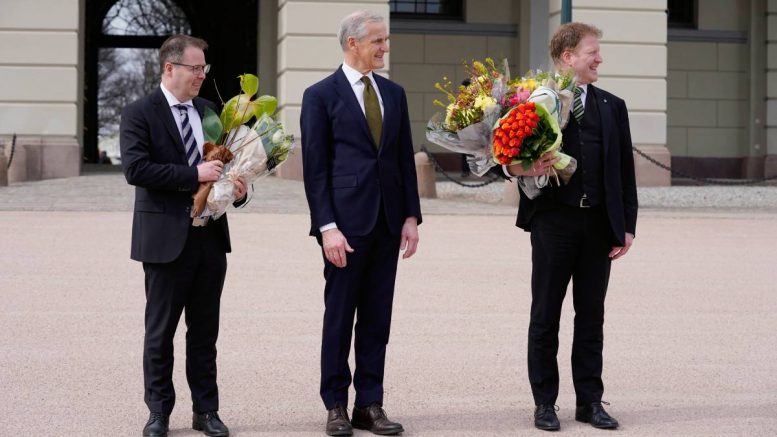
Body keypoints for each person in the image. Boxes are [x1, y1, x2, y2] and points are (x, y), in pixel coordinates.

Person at [505, 22, 637, 431]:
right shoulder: (535, 102)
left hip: (599, 225)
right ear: (568, 57)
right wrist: (521, 165)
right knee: (545, 315)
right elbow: (506, 159)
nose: (600, 59)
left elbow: (624, 172)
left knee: (591, 316)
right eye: (592, 52)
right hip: (552, 222)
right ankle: (545, 403)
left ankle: (590, 402)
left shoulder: (613, 106)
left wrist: (626, 226)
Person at [300, 10, 422, 437]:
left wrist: (411, 216)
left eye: (384, 40)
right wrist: (326, 227)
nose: (384, 47)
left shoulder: (395, 93)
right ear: (353, 43)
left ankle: (370, 405)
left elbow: (403, 158)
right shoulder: (319, 96)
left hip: (388, 223)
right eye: (378, 41)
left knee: (376, 319)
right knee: (339, 317)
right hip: (345, 227)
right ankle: (335, 405)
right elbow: (315, 170)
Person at [120, 34, 247, 437]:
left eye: (204, 69)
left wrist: (239, 190)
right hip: (164, 240)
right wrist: (193, 174)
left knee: (205, 332)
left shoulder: (211, 111)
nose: (202, 75)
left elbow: (223, 169)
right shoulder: (139, 113)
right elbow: (136, 170)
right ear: (169, 68)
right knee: (160, 333)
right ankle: (158, 412)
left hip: (210, 239)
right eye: (195, 68)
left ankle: (206, 412)